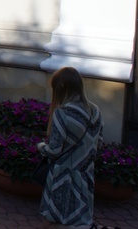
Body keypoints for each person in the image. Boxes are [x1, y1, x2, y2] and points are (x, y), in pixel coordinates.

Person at [37, 67, 103, 228]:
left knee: (51, 219)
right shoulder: (95, 111)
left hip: (62, 175)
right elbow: (99, 143)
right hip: (86, 175)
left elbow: (54, 150)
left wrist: (40, 146)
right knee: (81, 222)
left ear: (59, 88)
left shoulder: (62, 112)